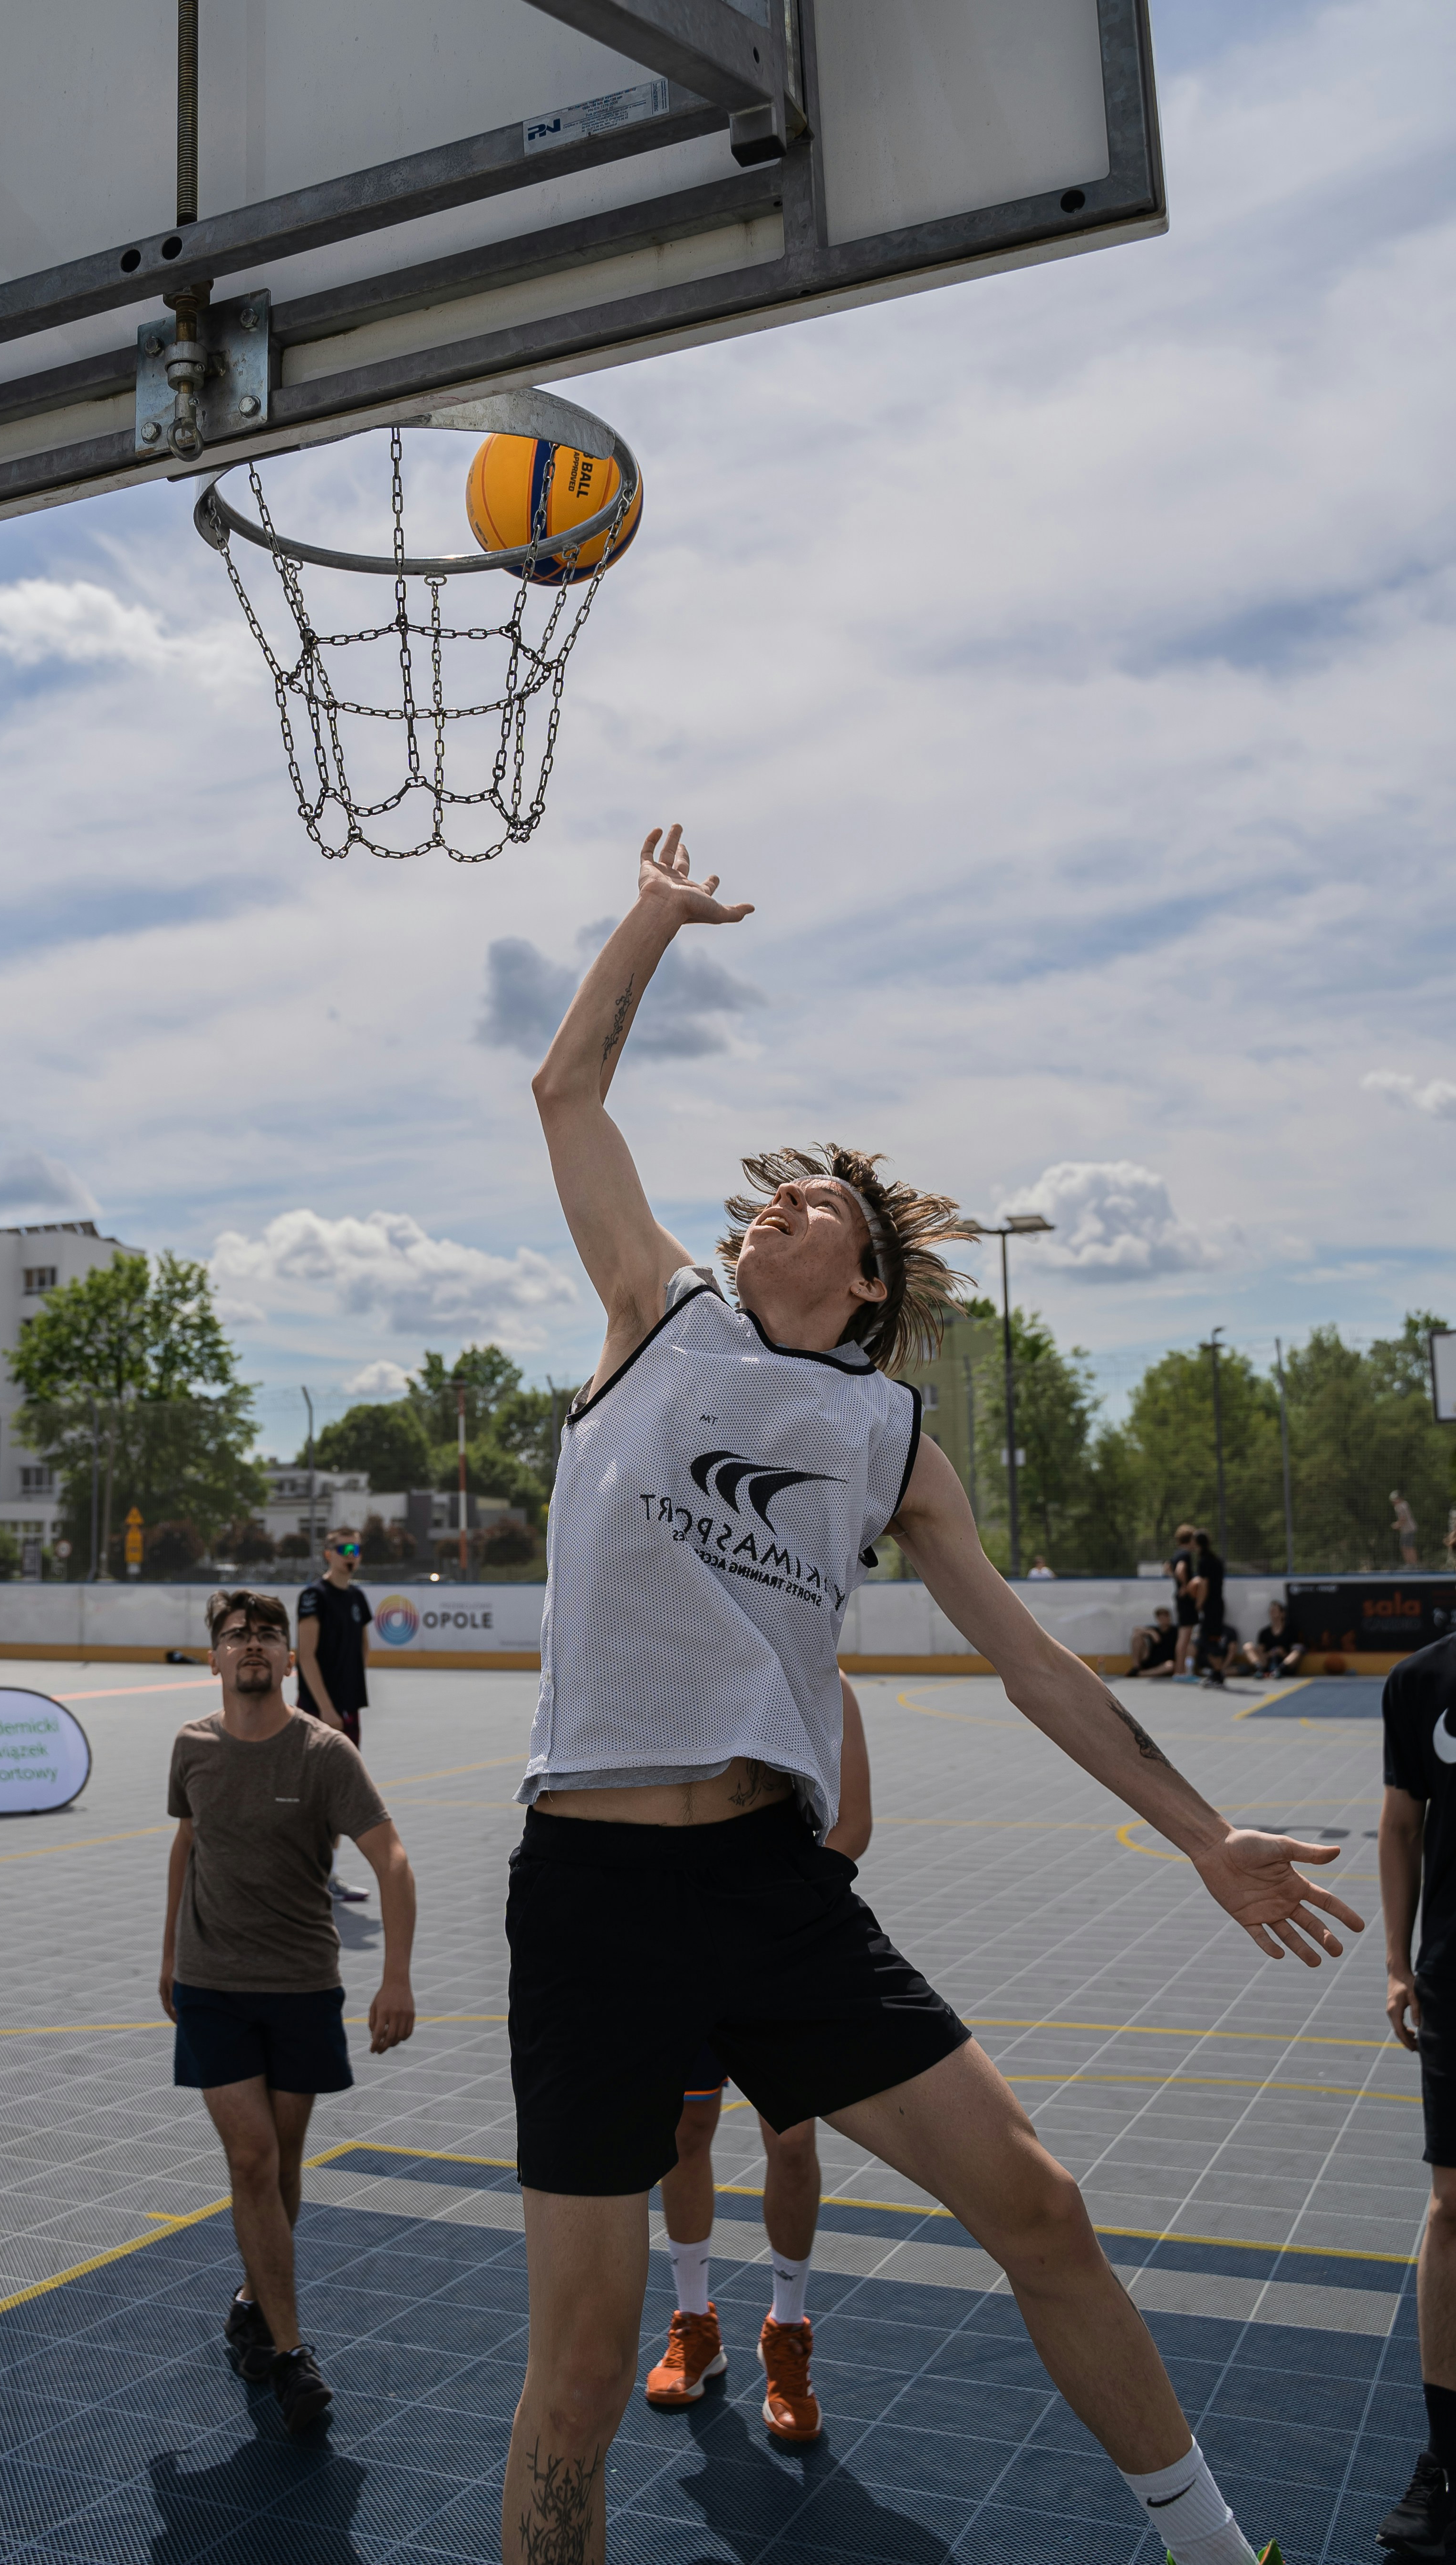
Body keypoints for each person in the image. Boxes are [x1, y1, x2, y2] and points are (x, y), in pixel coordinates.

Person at [502, 823, 1357, 2565]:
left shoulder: (890, 1434)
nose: (767, 1207)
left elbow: (1032, 1659)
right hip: (589, 1889)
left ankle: (1213, 2549)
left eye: (804, 1202)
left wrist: (1200, 1833)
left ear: (868, 1278)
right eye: (764, 1194)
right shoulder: (654, 1313)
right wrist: (654, 918)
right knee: (583, 2363)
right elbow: (564, 1085)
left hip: (769, 1886)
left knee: (1042, 2204)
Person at [160, 1587, 416, 2434]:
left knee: (282, 2168)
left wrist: (397, 1978)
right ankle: (290, 2352)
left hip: (303, 1983)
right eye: (236, 1636)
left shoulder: (323, 1754)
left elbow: (392, 1859)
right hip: (213, 1986)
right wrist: (168, 1954)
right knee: (252, 2160)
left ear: (281, 1655)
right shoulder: (191, 1747)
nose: (254, 1646)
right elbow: (186, 1841)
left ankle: (250, 2298)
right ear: (215, 1658)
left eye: (267, 1633)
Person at [645, 1674, 873, 2441]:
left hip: (782, 1947)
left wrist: (775, 1917)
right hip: (687, 1944)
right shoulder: (682, 1681)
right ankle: (693, 2321)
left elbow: (852, 1825)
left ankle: (787, 2330)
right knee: (685, 2134)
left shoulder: (824, 1687)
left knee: (794, 2141)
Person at [1377, 1614, 1456, 2555]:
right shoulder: (1420, 1683)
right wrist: (1395, 1963)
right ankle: (1445, 2456)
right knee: (1451, 2209)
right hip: (1452, 1980)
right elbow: (1401, 1825)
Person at [298, 1530, 376, 1902]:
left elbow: (363, 1645)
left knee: (339, 1793)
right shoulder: (314, 1597)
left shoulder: (358, 1597)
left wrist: (349, 1692)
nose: (352, 1555)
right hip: (320, 1711)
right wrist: (326, 1706)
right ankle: (303, 1873)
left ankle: (327, 1874)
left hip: (348, 1709)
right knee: (314, 1792)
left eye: (357, 1549)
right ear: (328, 1553)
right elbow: (306, 1654)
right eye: (345, 1549)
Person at [1189, 1528, 1228, 1688]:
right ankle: (1216, 1673)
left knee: (1209, 1640)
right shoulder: (1216, 1560)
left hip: (1211, 1607)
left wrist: (1199, 1603)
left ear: (1197, 1543)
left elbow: (1204, 1585)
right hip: (1217, 1605)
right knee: (1210, 1639)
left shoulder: (1204, 1561)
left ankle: (1218, 1674)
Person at [1167, 1522, 1199, 1678]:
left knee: (1184, 1635)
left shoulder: (1176, 1554)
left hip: (1181, 1600)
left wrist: (1178, 1583)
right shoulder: (1185, 1555)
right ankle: (1180, 1672)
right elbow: (1180, 1569)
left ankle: (1181, 1670)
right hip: (1186, 1601)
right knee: (1185, 1636)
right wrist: (1185, 1585)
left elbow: (1168, 1568)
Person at [1244, 1601, 1303, 1682]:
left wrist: (1282, 1653)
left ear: (1283, 1614)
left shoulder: (1291, 1631)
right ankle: (1259, 1669)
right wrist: (1270, 1654)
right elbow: (1261, 1652)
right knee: (1248, 1646)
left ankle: (1280, 1669)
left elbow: (1295, 1652)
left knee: (1299, 1649)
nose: (1273, 1613)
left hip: (1284, 1662)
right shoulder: (1264, 1633)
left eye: (1275, 1611)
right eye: (1271, 1611)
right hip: (1268, 1662)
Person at [1124, 1607, 1178, 1680]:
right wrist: (1151, 1633)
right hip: (1151, 1659)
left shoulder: (1175, 1631)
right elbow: (1136, 1630)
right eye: (1161, 1618)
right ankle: (1136, 1667)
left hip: (1165, 1662)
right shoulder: (1154, 1629)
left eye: (1166, 1617)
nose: (1164, 1620)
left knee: (1170, 1665)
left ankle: (1140, 1674)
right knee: (1137, 1638)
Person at [1393, 1491, 1420, 1568]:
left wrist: (1397, 1525)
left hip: (1408, 1530)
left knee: (1406, 1547)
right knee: (1408, 1546)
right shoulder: (1405, 1504)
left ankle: (1412, 1564)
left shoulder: (1399, 1507)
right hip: (1409, 1529)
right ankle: (1412, 1564)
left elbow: (1403, 1519)